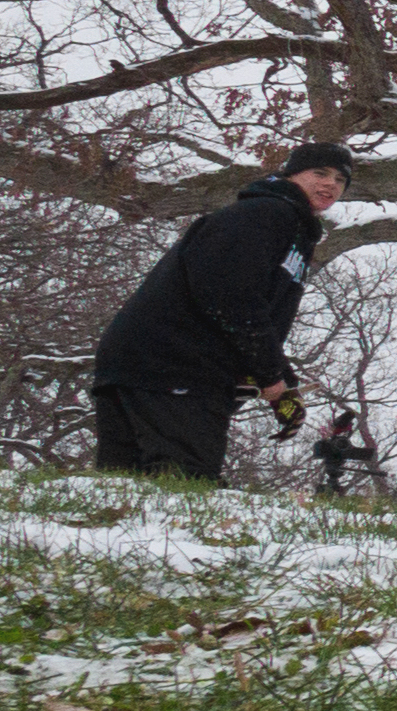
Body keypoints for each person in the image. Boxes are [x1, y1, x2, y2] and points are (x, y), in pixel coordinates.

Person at [90, 143, 346, 481]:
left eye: (341, 180)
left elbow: (254, 315)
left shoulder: (289, 228)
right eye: (320, 173)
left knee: (125, 490)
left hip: (141, 362)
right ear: (290, 174)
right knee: (183, 485)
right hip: (173, 365)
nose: (331, 185)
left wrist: (285, 386)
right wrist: (271, 377)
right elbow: (229, 295)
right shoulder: (266, 214)